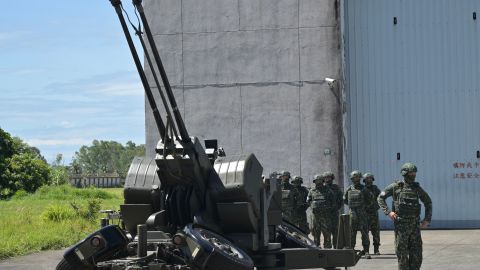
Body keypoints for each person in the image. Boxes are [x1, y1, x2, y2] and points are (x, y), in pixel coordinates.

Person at [377, 162, 432, 270]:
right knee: (402, 256)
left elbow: (428, 202)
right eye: (411, 173)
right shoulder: (395, 187)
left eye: (414, 173)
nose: (413, 175)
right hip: (401, 226)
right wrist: (388, 212)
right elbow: (380, 198)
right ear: (405, 173)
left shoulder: (416, 188)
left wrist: (427, 220)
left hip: (415, 226)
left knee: (416, 255)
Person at [344, 170, 370, 255]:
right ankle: (351, 250)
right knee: (352, 232)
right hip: (353, 214)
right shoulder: (349, 189)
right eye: (354, 177)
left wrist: (363, 208)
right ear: (352, 178)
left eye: (357, 177)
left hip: (362, 214)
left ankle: (366, 251)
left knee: (365, 233)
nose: (356, 179)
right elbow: (345, 200)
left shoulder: (364, 189)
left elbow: (370, 200)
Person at [307, 174, 334, 248]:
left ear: (322, 181)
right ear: (314, 182)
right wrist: (313, 206)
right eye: (317, 181)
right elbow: (308, 201)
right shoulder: (312, 191)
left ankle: (327, 247)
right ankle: (316, 246)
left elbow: (333, 201)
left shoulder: (328, 190)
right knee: (315, 232)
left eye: (320, 181)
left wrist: (328, 208)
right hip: (315, 216)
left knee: (326, 232)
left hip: (325, 216)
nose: (318, 182)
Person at [323, 171, 343, 248]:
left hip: (334, 213)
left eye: (329, 177)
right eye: (326, 178)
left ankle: (336, 246)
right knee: (326, 230)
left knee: (335, 230)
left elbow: (341, 199)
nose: (328, 179)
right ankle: (327, 246)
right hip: (325, 213)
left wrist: (336, 208)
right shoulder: (322, 188)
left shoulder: (336, 188)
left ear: (332, 178)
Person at [363, 172, 381, 255]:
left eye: (370, 178)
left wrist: (377, 206)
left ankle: (376, 249)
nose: (369, 180)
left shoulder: (375, 188)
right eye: (367, 179)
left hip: (374, 213)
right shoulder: (362, 189)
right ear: (364, 180)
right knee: (365, 232)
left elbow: (381, 198)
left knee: (376, 232)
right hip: (364, 214)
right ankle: (366, 250)